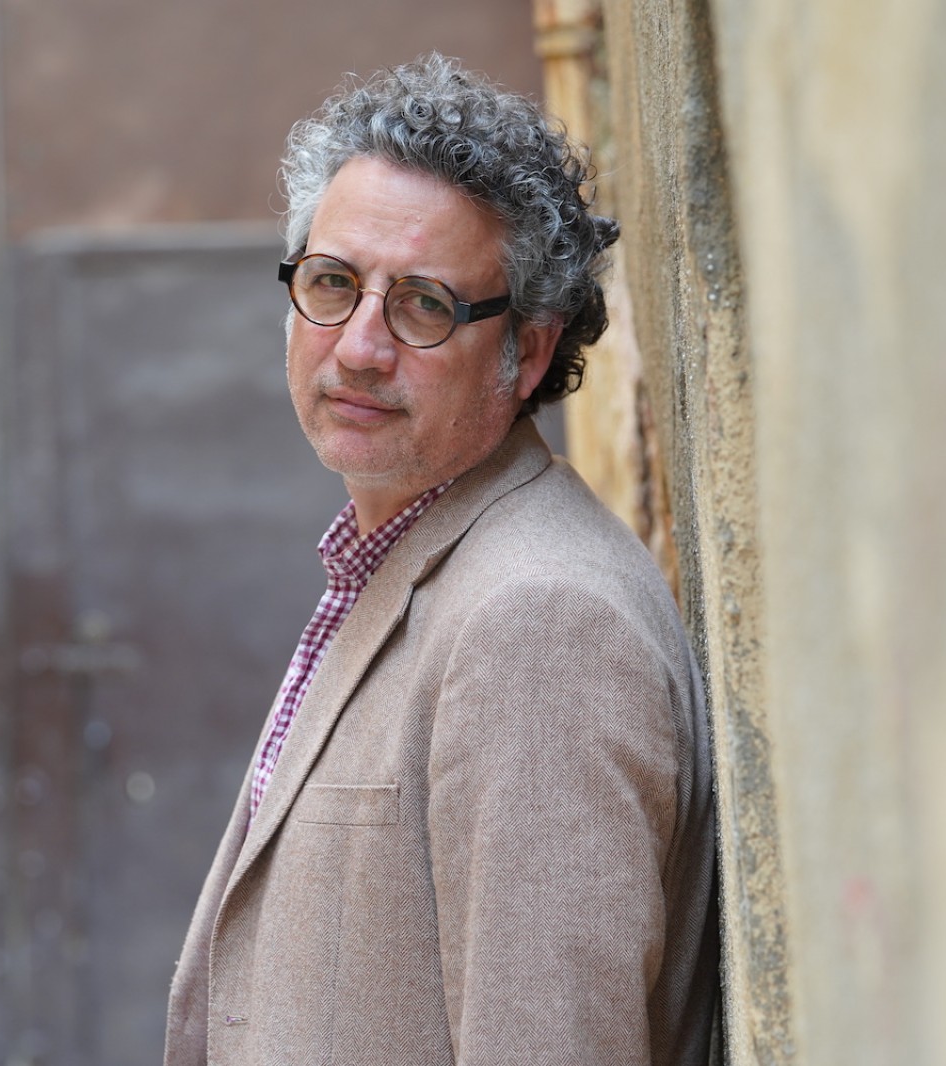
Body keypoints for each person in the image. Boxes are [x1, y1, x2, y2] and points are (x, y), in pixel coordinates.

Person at [165, 54, 717, 1066]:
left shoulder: (539, 622)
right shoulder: (409, 561)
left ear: (530, 351)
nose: (359, 347)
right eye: (333, 284)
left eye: (423, 305)